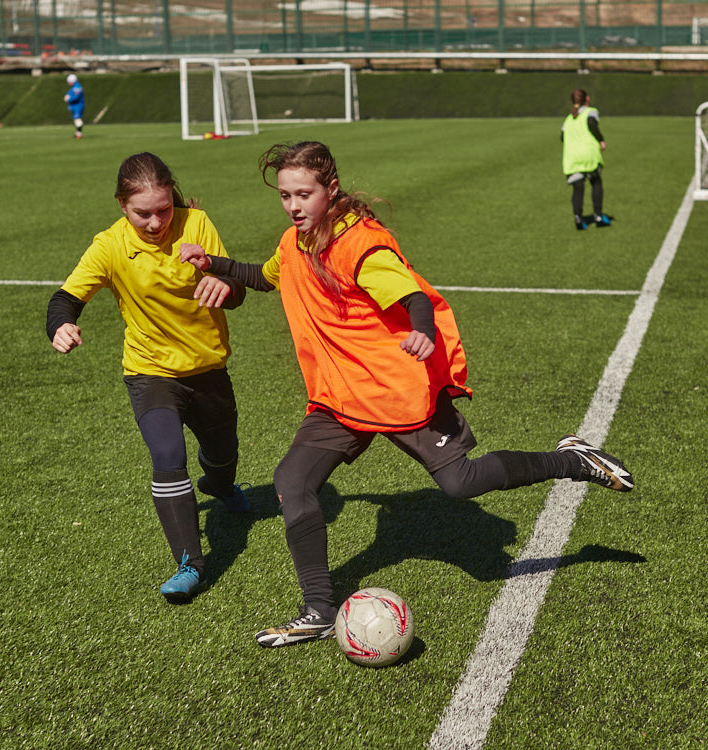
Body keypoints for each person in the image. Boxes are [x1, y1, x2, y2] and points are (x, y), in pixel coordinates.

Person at [180, 141, 635, 648]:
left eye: (303, 194)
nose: (293, 206)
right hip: (342, 397)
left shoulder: (362, 246)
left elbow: (412, 295)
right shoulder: (295, 244)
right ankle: (318, 610)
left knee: (461, 484)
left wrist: (422, 330)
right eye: (285, 196)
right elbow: (264, 278)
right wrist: (212, 263)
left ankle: (571, 460)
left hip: (397, 388)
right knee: (293, 481)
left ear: (330, 190)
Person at [46, 152, 250, 604]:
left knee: (221, 455)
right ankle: (190, 564)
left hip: (208, 368)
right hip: (150, 371)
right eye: (143, 213)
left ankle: (218, 486)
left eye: (163, 210)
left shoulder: (196, 222)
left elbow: (232, 286)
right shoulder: (109, 245)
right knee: (167, 454)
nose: (157, 222)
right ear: (122, 205)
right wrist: (59, 325)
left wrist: (225, 287)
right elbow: (66, 297)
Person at [561, 88, 610, 231]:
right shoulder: (591, 112)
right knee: (596, 182)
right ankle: (598, 215)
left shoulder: (568, 119)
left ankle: (578, 218)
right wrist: (601, 140)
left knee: (578, 188)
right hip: (589, 155)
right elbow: (592, 124)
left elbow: (562, 137)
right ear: (586, 99)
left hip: (572, 158)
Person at [64, 74, 85, 139]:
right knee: (76, 119)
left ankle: (79, 134)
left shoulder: (77, 87)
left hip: (78, 106)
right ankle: (77, 133)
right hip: (74, 105)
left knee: (77, 119)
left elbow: (76, 96)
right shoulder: (74, 87)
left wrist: (68, 99)